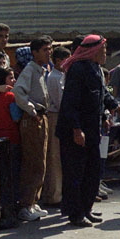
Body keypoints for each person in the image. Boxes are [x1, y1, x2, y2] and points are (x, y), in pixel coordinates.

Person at [56, 34, 120, 227]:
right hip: (76, 130)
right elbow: (71, 103)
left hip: (92, 128)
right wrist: (76, 129)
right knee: (76, 173)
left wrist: (109, 113)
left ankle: (86, 209)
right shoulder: (78, 69)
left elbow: (101, 95)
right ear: (93, 51)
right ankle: (75, 213)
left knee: (92, 171)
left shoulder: (95, 69)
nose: (106, 55)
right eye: (103, 51)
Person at [13, 37, 53, 222]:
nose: (48, 52)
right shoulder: (29, 70)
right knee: (33, 161)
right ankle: (25, 204)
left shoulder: (41, 70)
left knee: (41, 162)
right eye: (45, 49)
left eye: (50, 49)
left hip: (41, 117)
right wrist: (33, 110)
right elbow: (18, 93)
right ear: (35, 52)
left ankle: (33, 201)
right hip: (32, 119)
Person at [0, 67, 23, 228]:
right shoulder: (10, 97)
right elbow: (16, 117)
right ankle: (11, 213)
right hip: (12, 139)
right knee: (12, 176)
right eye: (10, 78)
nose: (14, 81)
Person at [43, 45, 71, 207]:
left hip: (62, 117)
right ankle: (54, 195)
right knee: (54, 158)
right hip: (55, 117)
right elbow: (60, 102)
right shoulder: (54, 77)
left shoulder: (62, 75)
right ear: (59, 61)